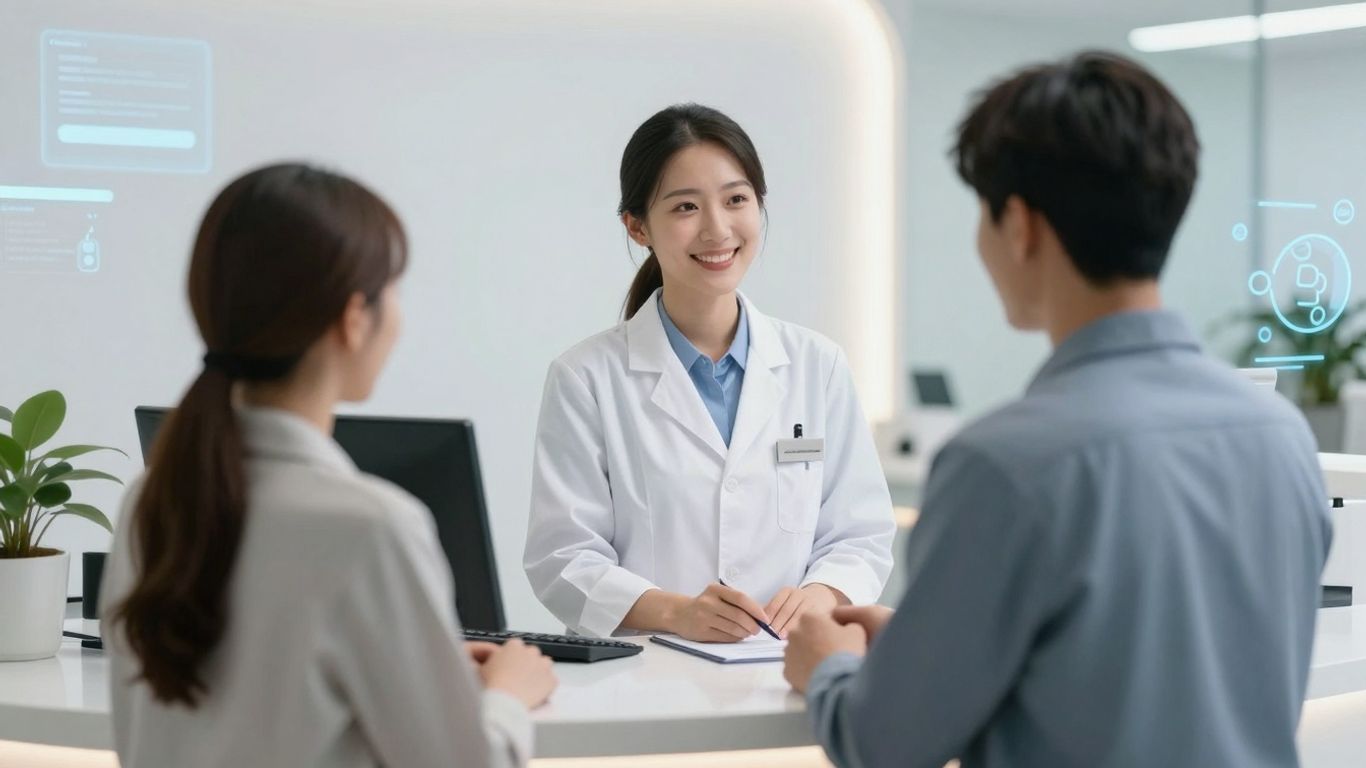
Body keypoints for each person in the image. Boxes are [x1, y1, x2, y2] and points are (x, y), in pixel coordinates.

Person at [782, 51, 1332, 767]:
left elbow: (883, 744)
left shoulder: (1005, 465)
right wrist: (929, 646)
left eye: (983, 213)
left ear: (1019, 225)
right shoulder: (1281, 436)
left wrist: (828, 666)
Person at [101, 163, 556, 767]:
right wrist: (506, 697)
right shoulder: (371, 526)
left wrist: (425, 665)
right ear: (353, 318)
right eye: (393, 289)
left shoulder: (149, 503)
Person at [524, 104, 895, 640]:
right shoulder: (585, 378)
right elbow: (562, 559)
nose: (718, 229)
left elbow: (860, 533)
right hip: (647, 684)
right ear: (637, 227)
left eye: (736, 199)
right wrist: (676, 613)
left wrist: (821, 595)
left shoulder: (819, 365)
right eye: (685, 208)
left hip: (788, 674)